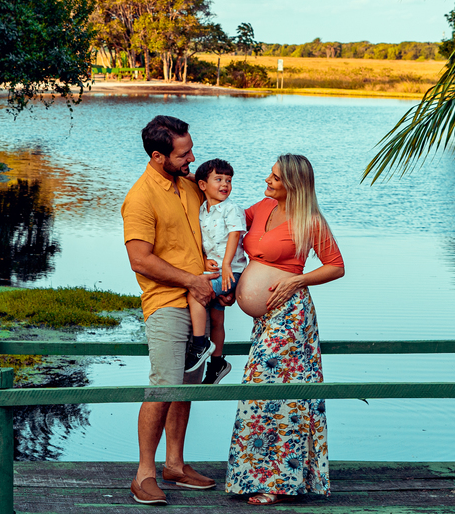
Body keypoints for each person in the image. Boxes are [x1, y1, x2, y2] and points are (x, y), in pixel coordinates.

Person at [225, 154, 345, 506]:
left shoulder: (310, 220)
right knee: (262, 391)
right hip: (264, 320)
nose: (268, 179)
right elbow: (227, 220)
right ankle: (256, 477)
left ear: (292, 184)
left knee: (271, 391)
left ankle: (277, 481)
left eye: (275, 177)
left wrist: (298, 280)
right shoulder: (261, 208)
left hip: (291, 316)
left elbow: (336, 266)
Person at [121, 115, 220, 506]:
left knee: (187, 388)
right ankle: (144, 473)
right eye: (184, 153)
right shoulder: (140, 197)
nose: (192, 158)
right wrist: (192, 280)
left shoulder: (189, 187)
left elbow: (213, 230)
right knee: (163, 385)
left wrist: (216, 276)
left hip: (201, 301)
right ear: (159, 155)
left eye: (191, 149)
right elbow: (139, 259)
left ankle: (175, 465)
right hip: (166, 303)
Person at [186, 157, 247, 384]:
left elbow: (234, 234)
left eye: (229, 180)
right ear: (203, 185)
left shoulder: (231, 208)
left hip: (231, 271)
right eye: (219, 179)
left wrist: (226, 264)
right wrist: (204, 259)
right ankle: (217, 362)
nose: (225, 185)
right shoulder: (203, 209)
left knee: (195, 294)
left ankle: (200, 344)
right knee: (217, 319)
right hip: (214, 269)